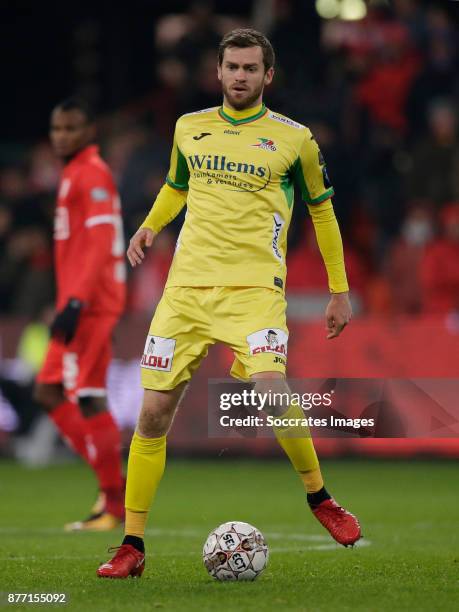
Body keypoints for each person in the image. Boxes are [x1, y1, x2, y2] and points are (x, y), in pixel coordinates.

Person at [97, 29, 360, 578]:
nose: (239, 76)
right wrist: (148, 226)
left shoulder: (295, 140)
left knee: (270, 391)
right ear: (217, 73)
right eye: (231, 67)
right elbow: (176, 186)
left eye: (250, 68)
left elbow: (323, 213)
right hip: (186, 290)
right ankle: (132, 544)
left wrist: (339, 289)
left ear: (268, 76)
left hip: (255, 290)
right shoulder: (188, 128)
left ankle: (319, 497)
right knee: (151, 415)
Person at [34, 98, 126, 531]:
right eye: (56, 128)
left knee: (89, 397)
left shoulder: (92, 173)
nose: (61, 136)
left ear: (90, 130)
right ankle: (111, 488)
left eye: (71, 128)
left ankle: (114, 503)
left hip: (88, 303)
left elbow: (99, 240)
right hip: (74, 300)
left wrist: (75, 301)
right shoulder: (73, 172)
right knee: (49, 392)